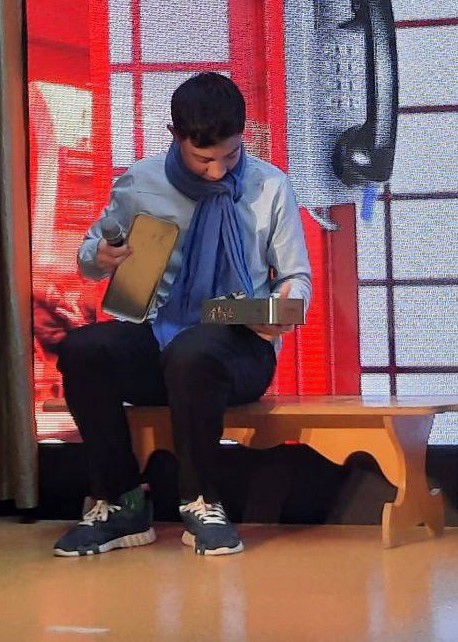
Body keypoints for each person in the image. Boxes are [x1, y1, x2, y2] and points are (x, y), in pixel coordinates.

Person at [53, 73, 311, 557]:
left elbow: (297, 278)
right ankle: (121, 502)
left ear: (243, 135)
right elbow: (91, 252)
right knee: (83, 349)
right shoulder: (142, 181)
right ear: (175, 136)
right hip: (157, 337)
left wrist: (281, 307)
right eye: (203, 159)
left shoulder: (270, 185)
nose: (217, 171)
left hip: (238, 349)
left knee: (195, 350)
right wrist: (100, 257)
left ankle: (201, 501)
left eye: (229, 156)